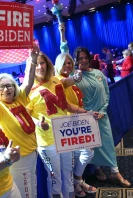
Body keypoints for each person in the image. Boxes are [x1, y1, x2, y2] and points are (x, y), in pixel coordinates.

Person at [0, 40, 40, 198]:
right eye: (2, 86)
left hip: (32, 152)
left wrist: (32, 59)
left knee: (32, 187)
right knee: (26, 193)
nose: (6, 89)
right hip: (18, 159)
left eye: (10, 85)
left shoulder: (19, 99)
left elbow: (28, 80)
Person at [27, 49, 90, 198]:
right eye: (36, 64)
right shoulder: (29, 90)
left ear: (47, 64)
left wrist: (85, 113)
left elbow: (66, 100)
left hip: (64, 136)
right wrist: (38, 124)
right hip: (47, 140)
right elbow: (27, 115)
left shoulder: (55, 79)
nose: (40, 67)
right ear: (30, 67)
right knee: (55, 178)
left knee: (68, 173)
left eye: (42, 63)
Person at [73, 46, 131, 188]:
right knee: (93, 145)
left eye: (85, 57)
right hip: (87, 117)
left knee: (107, 143)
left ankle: (115, 172)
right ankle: (98, 170)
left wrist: (103, 110)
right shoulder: (75, 77)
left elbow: (107, 93)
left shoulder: (98, 73)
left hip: (102, 115)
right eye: (80, 58)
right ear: (76, 60)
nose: (84, 60)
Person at [55, 23, 97, 197]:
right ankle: (76, 184)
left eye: (70, 63)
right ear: (58, 64)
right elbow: (64, 102)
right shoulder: (58, 80)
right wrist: (62, 33)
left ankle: (77, 180)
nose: (67, 65)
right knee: (78, 156)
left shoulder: (71, 78)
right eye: (64, 63)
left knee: (88, 152)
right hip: (65, 124)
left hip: (76, 123)